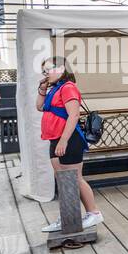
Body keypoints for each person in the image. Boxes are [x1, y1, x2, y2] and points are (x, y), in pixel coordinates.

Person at [36, 56, 103, 232]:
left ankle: (94, 213)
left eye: (48, 70)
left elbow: (73, 115)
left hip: (68, 139)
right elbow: (40, 107)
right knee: (63, 179)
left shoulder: (68, 88)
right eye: (44, 71)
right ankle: (68, 216)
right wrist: (42, 90)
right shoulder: (54, 89)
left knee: (75, 178)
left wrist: (64, 140)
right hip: (54, 138)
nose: (46, 74)